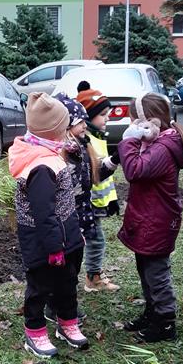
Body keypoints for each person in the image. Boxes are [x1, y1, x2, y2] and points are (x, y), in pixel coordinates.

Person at [8, 92, 89, 357]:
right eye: (64, 127)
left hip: (66, 235)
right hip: (44, 241)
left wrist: (73, 239)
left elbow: (64, 202)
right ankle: (35, 332)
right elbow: (44, 213)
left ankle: (67, 323)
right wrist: (55, 248)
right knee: (40, 287)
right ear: (54, 130)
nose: (67, 132)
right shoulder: (39, 166)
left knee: (67, 283)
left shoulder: (51, 152)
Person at [117, 94, 183, 342]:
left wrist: (128, 142)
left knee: (156, 272)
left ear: (149, 123)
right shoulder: (157, 143)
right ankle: (152, 311)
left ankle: (165, 321)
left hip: (157, 219)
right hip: (149, 215)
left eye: (133, 122)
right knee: (145, 267)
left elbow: (135, 170)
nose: (131, 126)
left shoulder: (162, 148)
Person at [75, 82, 120, 293]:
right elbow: (96, 172)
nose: (107, 118)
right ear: (88, 117)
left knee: (95, 240)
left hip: (97, 202)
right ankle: (92, 277)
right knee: (95, 241)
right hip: (88, 204)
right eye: (103, 114)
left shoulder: (98, 137)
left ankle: (93, 274)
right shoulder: (87, 140)